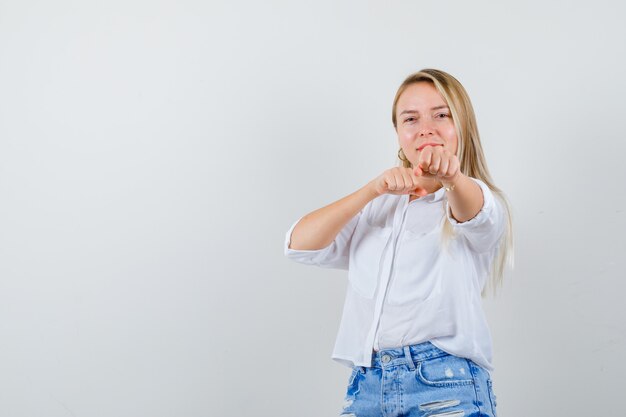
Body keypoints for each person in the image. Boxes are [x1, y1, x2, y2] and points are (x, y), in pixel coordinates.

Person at [283, 68, 512, 417]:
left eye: (441, 115)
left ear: (462, 125)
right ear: (398, 133)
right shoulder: (377, 207)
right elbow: (298, 244)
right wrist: (373, 189)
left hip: (444, 383)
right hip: (367, 384)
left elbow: (476, 214)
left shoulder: (475, 198)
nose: (426, 128)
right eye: (411, 118)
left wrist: (451, 177)